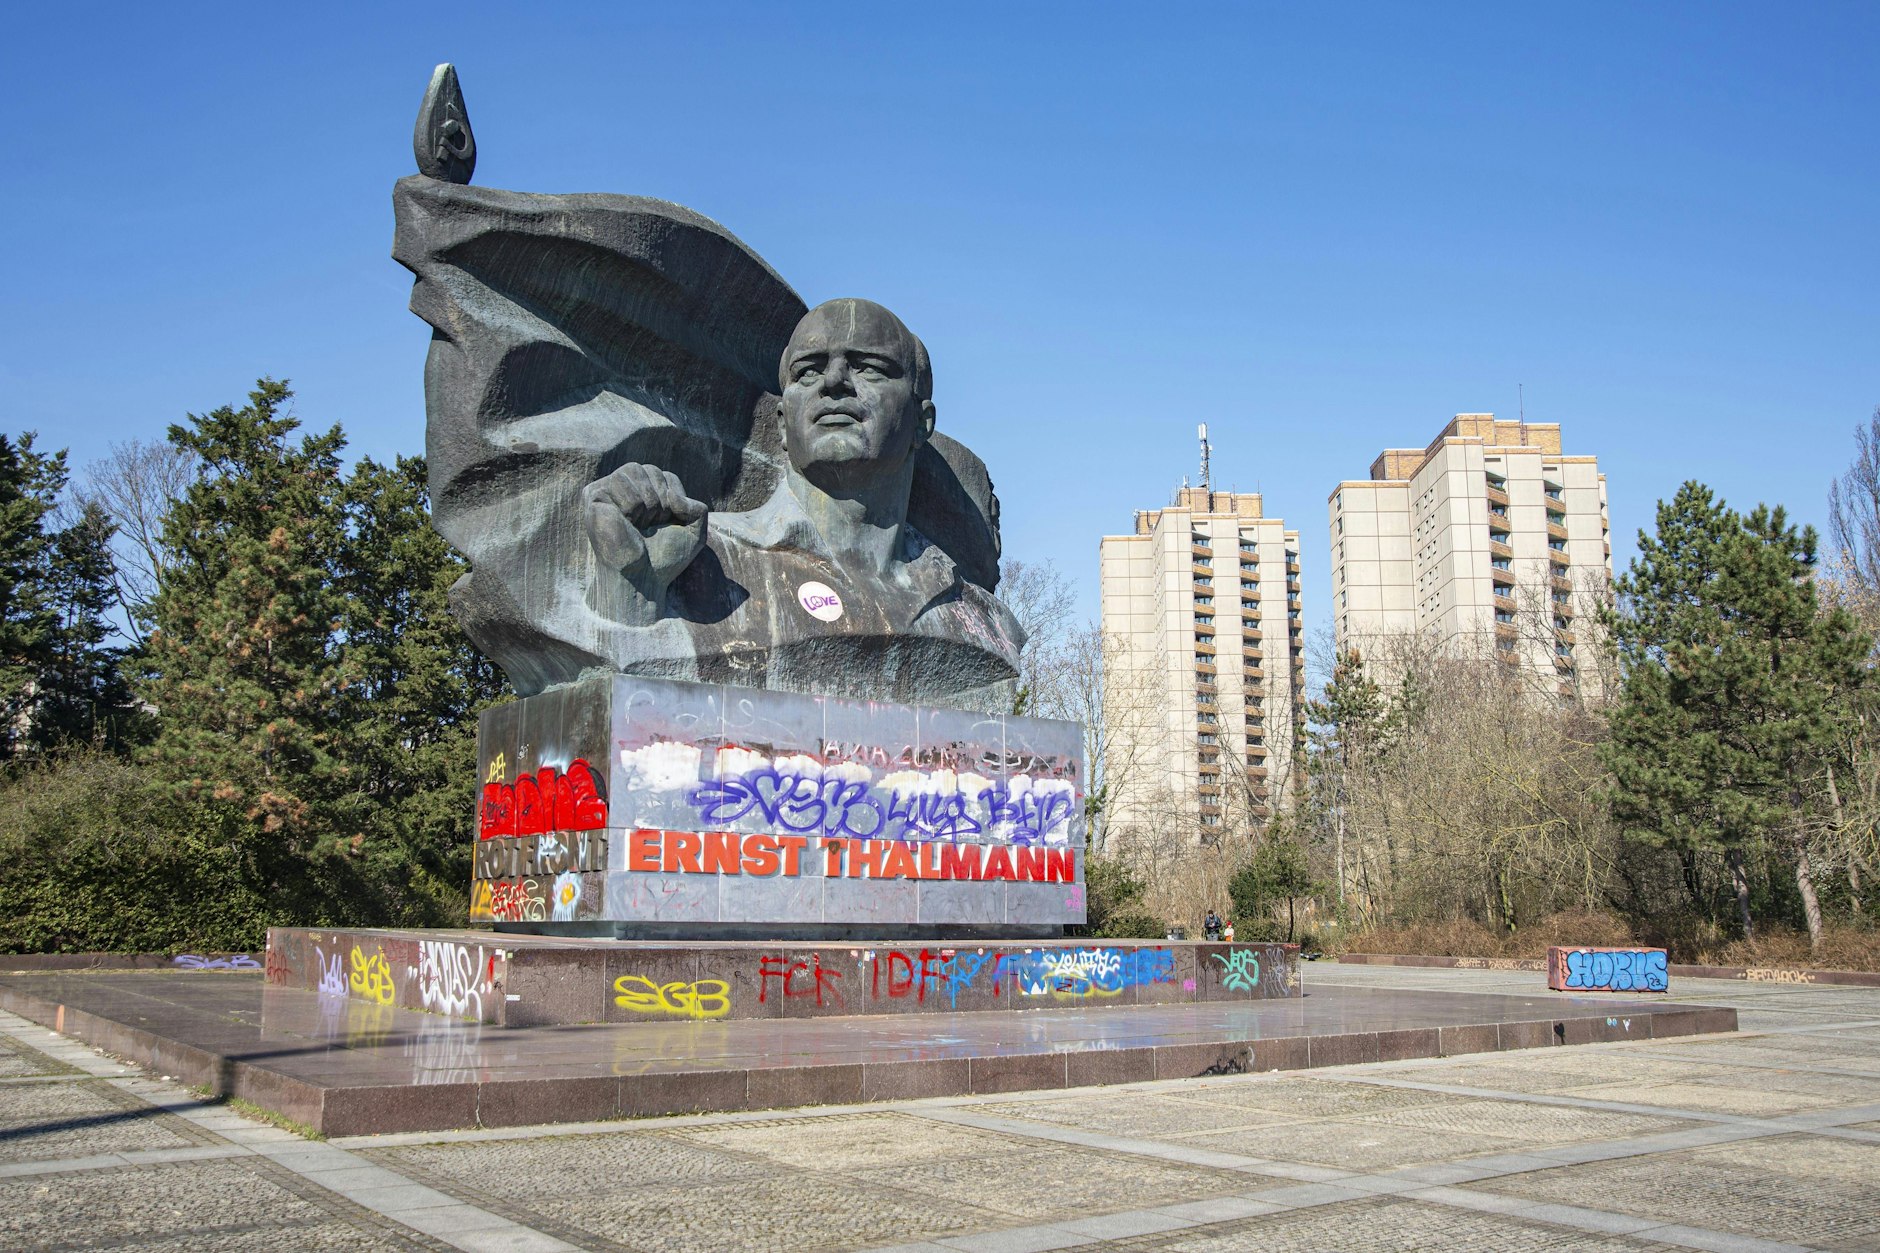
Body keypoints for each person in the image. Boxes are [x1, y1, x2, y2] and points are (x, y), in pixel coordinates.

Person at [580, 299, 1022, 708]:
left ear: (922, 423)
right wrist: (632, 590)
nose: (833, 383)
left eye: (869, 368)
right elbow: (616, 703)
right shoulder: (702, 560)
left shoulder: (979, 618)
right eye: (808, 371)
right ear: (783, 426)